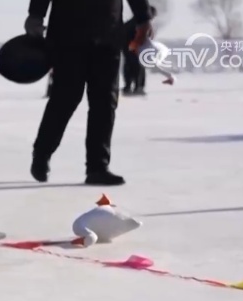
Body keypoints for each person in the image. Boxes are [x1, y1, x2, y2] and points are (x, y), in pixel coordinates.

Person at [24, 0, 152, 186]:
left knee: (105, 101)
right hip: (68, 32)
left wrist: (143, 17)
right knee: (66, 97)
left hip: (108, 32)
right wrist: (36, 14)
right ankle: (42, 153)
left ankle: (97, 167)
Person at [122, 5, 157, 96]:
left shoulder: (134, 21)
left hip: (128, 47)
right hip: (133, 48)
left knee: (129, 66)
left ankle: (129, 86)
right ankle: (138, 87)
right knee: (138, 67)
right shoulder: (142, 23)